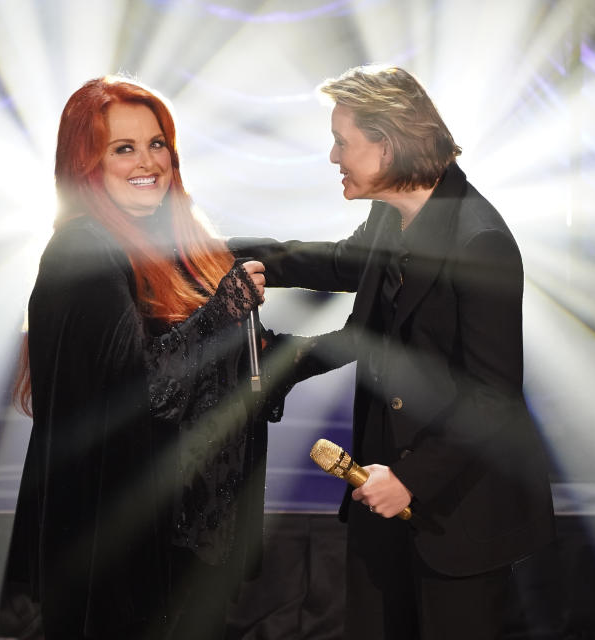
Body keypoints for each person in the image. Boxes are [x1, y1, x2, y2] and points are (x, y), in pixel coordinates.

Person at [230, 65, 555, 639]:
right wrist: (223, 254)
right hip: (380, 493)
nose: (334, 157)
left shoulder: (481, 242)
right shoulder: (393, 214)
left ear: (388, 143)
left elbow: (493, 397)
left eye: (342, 142)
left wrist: (411, 478)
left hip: (459, 513)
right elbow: (345, 279)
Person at [3, 75, 285, 640]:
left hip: (182, 543)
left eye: (157, 144)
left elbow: (205, 374)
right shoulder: (82, 249)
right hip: (119, 553)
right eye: (123, 148)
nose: (148, 162)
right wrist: (224, 308)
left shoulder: (161, 242)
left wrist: (304, 352)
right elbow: (143, 390)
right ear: (87, 164)